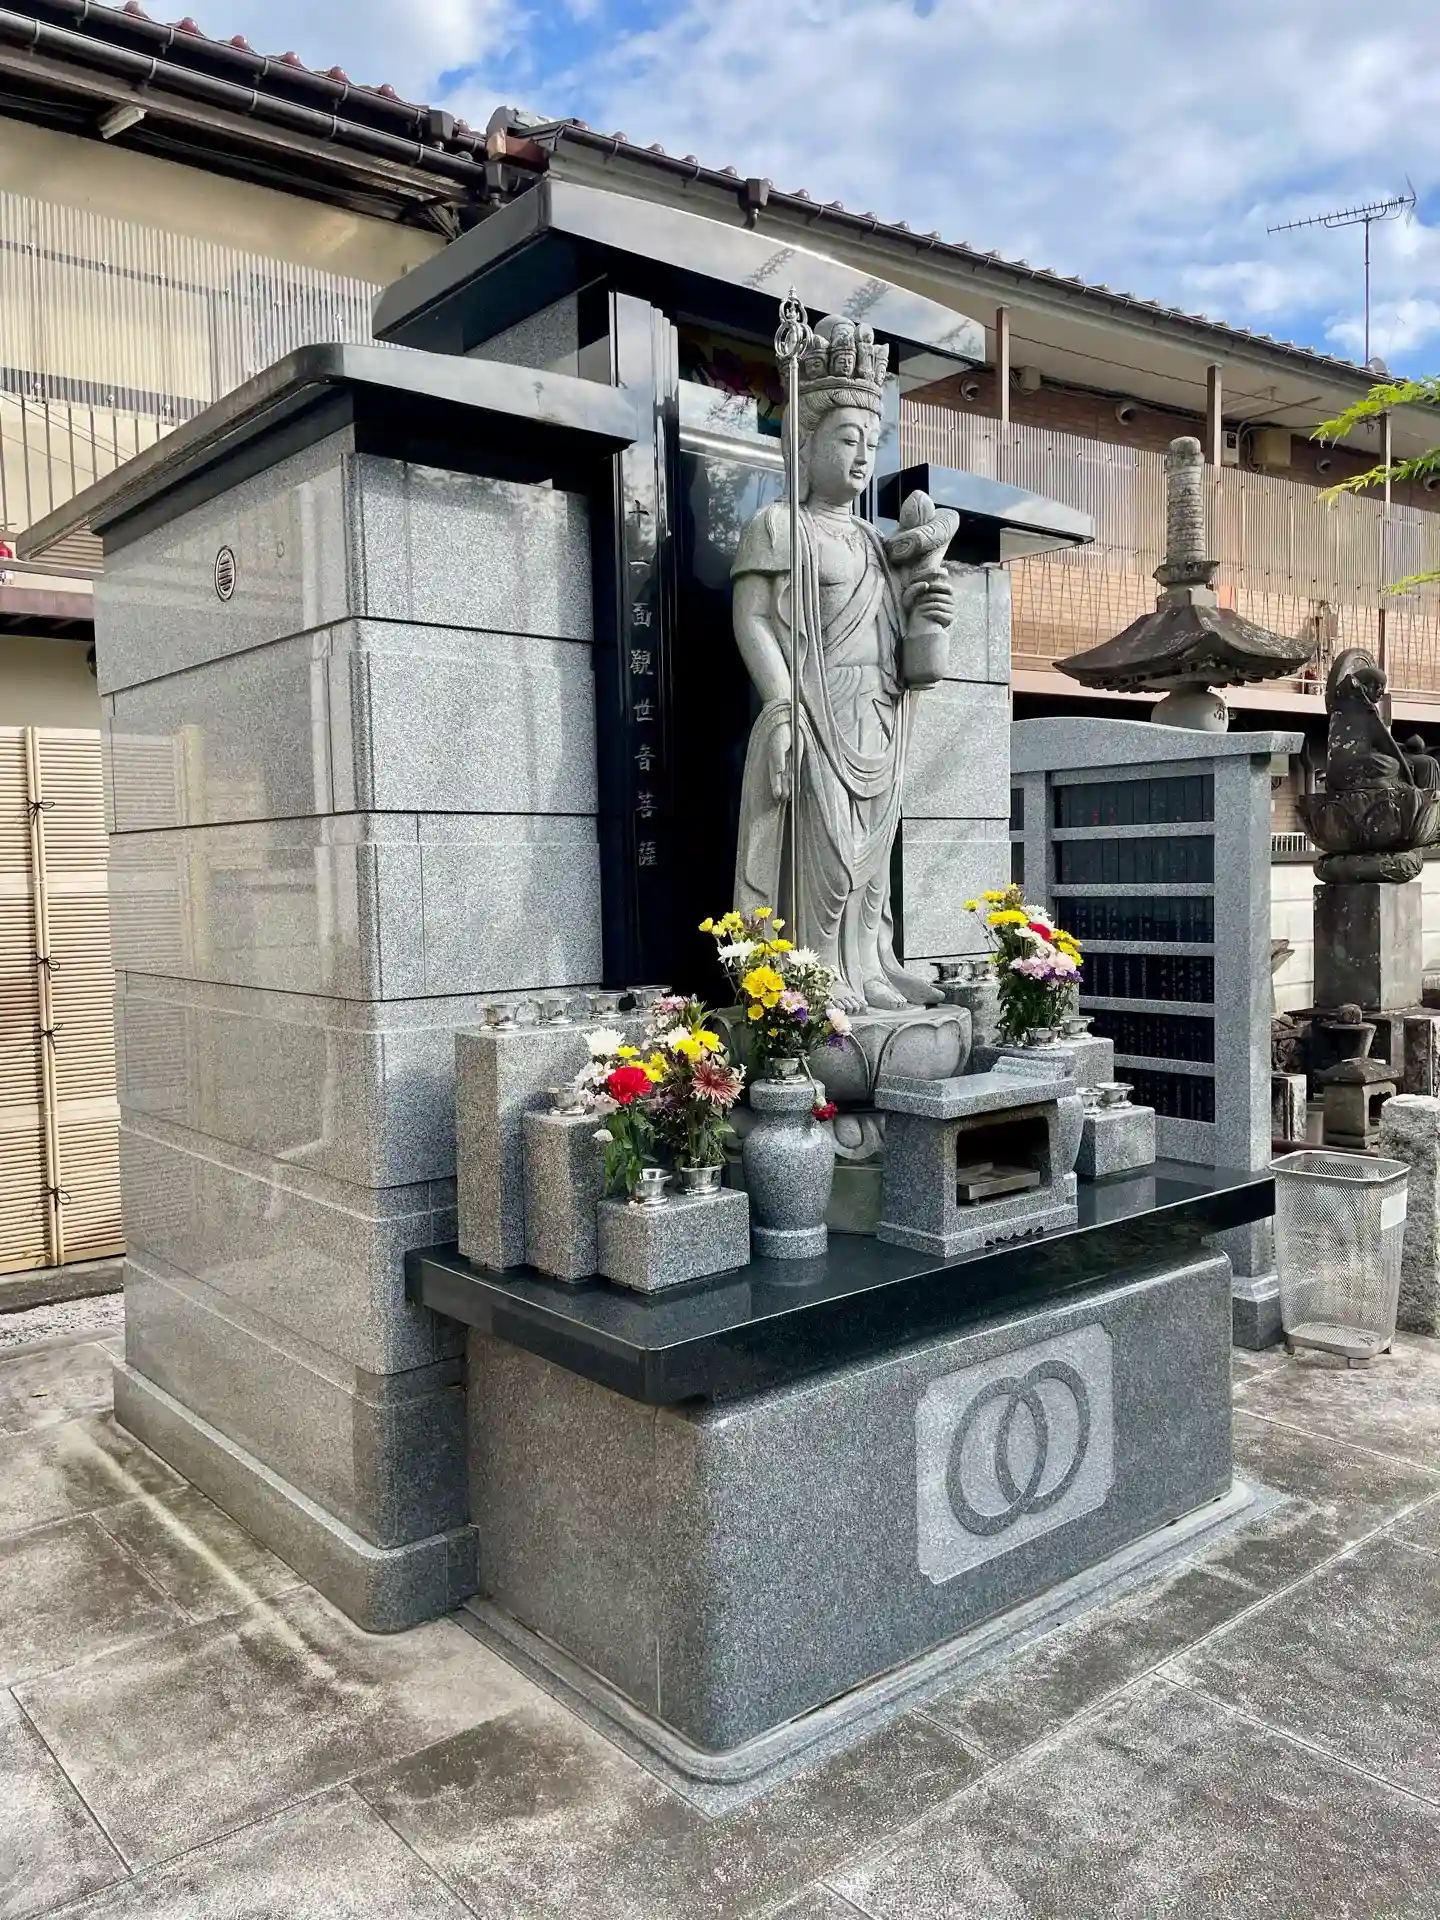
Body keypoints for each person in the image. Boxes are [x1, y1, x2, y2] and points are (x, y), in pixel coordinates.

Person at [730, 316, 955, 1011]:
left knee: (872, 861)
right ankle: (815, 971)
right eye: (847, 439)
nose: (862, 457)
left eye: (871, 443)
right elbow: (753, 621)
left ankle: (870, 965)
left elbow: (906, 650)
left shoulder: (874, 541)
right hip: (816, 706)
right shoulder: (778, 526)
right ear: (807, 442)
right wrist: (780, 705)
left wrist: (930, 615)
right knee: (824, 857)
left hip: (879, 713)